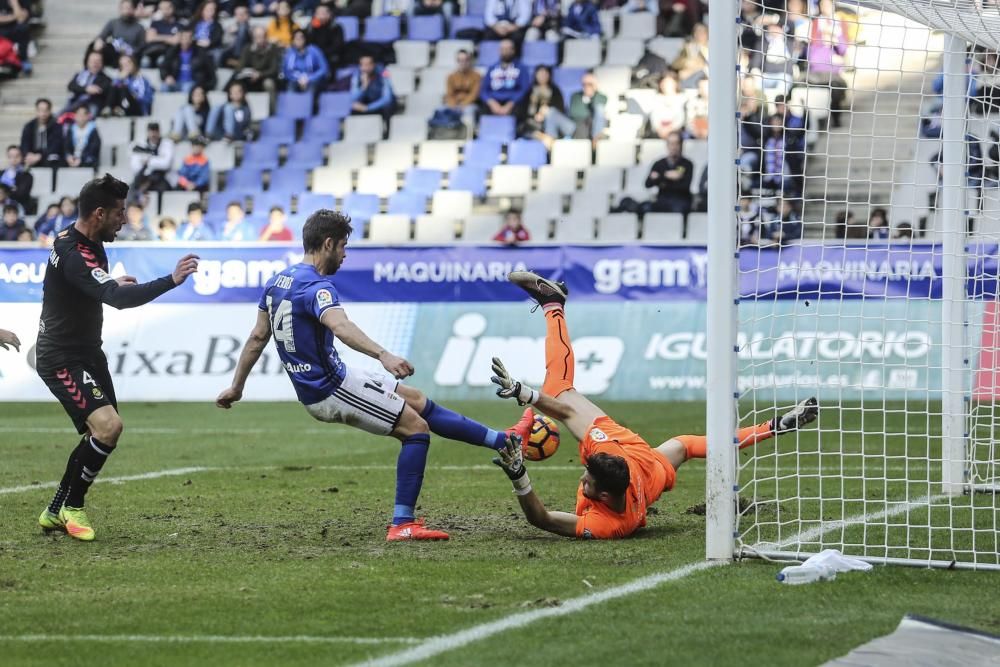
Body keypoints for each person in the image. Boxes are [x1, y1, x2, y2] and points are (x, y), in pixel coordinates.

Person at [216, 210, 522, 540]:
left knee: (415, 399)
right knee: (416, 430)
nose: (345, 255)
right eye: (344, 247)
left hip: (336, 377)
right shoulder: (318, 288)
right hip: (330, 389)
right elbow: (341, 326)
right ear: (328, 244)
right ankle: (402, 523)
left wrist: (236, 387)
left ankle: (503, 441)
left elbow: (258, 336)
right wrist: (383, 355)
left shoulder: (277, 282)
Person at [488, 271, 818, 539]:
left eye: (586, 476)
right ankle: (553, 304)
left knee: (686, 445)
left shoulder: (614, 514)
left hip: (647, 471)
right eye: (586, 474)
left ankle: (553, 304)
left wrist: (519, 473)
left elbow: (541, 518)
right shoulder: (612, 477)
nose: (581, 477)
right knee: (558, 391)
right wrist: (523, 393)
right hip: (638, 457)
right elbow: (564, 414)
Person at [34, 174, 199, 541]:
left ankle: (55, 508)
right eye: (119, 212)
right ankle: (73, 508)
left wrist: (110, 285)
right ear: (98, 213)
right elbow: (117, 300)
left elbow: (94, 290)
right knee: (109, 427)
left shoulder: (89, 242)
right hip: (60, 356)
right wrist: (169, 281)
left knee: (102, 431)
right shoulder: (73, 252)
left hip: (88, 351)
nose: (124, 219)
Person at [538, 70, 606, 145]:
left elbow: (598, 112)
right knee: (550, 111)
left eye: (590, 84)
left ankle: (596, 141)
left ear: (595, 84)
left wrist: (592, 95)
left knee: (600, 109)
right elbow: (574, 113)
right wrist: (587, 113)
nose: (586, 86)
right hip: (574, 128)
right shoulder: (575, 96)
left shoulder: (601, 97)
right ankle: (550, 145)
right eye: (584, 84)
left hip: (591, 128)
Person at [480, 39, 531, 118]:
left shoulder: (522, 68)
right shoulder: (492, 68)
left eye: (508, 49)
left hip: (514, 102)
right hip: (494, 101)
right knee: (483, 110)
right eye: (503, 49)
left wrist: (510, 104)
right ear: (499, 51)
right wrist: (492, 103)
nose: (505, 51)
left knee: (520, 108)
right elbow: (484, 90)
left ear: (513, 50)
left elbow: (524, 89)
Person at [645, 131, 693, 213]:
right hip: (662, 201)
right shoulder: (659, 164)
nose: (674, 147)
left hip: (680, 201)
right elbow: (648, 184)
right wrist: (666, 175)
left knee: (677, 209)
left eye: (676, 143)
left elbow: (684, 186)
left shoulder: (687, 164)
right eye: (671, 144)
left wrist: (660, 180)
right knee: (644, 207)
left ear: (681, 145)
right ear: (667, 145)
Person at [89, 0, 146, 66]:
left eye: (128, 8)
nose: (126, 11)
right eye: (123, 8)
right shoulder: (113, 23)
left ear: (133, 9)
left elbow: (141, 47)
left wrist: (128, 51)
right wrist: (99, 41)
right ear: (120, 9)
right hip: (114, 54)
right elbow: (102, 36)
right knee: (95, 46)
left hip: (131, 56)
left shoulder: (139, 27)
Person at [232, 26, 282, 96]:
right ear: (253, 37)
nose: (260, 39)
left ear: (266, 37)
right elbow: (239, 67)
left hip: (265, 77)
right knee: (236, 84)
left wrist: (259, 74)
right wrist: (248, 74)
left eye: (262, 36)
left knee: (269, 84)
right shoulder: (247, 48)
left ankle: (272, 106)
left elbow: (274, 69)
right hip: (250, 78)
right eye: (257, 36)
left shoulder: (272, 49)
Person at [129, 122, 175, 196]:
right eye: (151, 131)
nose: (153, 134)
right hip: (144, 177)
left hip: (162, 178)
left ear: (159, 132)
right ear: (147, 132)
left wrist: (148, 162)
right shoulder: (139, 145)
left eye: (155, 131)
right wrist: (158, 160)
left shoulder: (167, 143)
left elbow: (166, 164)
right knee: (133, 188)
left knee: (162, 189)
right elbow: (135, 167)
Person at [443, 49, 481, 132]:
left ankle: (468, 135)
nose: (462, 63)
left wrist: (463, 104)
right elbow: (449, 94)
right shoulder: (451, 77)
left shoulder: (476, 76)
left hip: (469, 104)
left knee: (469, 111)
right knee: (441, 110)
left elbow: (474, 94)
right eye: (459, 60)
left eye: (465, 60)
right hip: (454, 104)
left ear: (470, 61)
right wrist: (453, 105)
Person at [64, 51, 112, 116]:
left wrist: (83, 89)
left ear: (102, 63)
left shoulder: (106, 78)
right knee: (61, 114)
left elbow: (100, 90)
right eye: (92, 61)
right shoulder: (80, 75)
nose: (95, 63)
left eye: (98, 61)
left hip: (92, 103)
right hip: (76, 102)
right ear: (87, 62)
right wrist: (86, 89)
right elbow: (71, 86)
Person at [21, 98, 65, 169]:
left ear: (50, 111)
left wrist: (40, 156)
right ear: (36, 111)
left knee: (53, 160)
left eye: (45, 110)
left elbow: (56, 145)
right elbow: (24, 144)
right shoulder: (29, 126)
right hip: (32, 156)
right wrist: (28, 154)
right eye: (40, 110)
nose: (43, 114)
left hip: (48, 156)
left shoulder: (56, 126)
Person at [283, 28, 330, 93]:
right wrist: (298, 79)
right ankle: (292, 103)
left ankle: (310, 103)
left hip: (313, 80)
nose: (299, 40)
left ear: (305, 39)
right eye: (296, 38)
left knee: (312, 87)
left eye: (301, 38)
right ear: (293, 40)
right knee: (290, 87)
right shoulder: (289, 53)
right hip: (296, 80)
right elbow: (286, 71)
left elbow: (324, 69)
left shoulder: (314, 50)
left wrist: (309, 78)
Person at [142, 0, 182, 67]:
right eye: (162, 8)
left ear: (172, 8)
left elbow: (176, 41)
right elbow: (149, 38)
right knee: (144, 61)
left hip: (169, 54)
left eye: (167, 8)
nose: (165, 11)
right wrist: (168, 38)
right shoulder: (155, 23)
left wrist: (157, 37)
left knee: (161, 60)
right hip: (153, 52)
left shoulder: (178, 25)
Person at [306, 4, 344, 70]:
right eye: (318, 13)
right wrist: (314, 27)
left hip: (330, 56)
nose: (321, 16)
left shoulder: (336, 27)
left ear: (329, 14)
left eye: (323, 13)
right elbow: (309, 44)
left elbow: (338, 46)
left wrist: (321, 54)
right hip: (314, 56)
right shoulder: (311, 27)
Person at [649, 70, 685, 140]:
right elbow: (654, 116)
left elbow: (680, 117)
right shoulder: (655, 98)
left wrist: (671, 129)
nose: (666, 85)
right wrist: (659, 129)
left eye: (669, 83)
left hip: (676, 131)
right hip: (659, 131)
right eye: (664, 82)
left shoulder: (682, 98)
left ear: (675, 83)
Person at [63, 105, 102, 169]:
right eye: (79, 115)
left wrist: (81, 159)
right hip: (73, 158)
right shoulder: (71, 129)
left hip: (86, 157)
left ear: (88, 116)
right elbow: (66, 146)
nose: (81, 118)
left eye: (83, 115)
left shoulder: (93, 129)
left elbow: (94, 148)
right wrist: (68, 156)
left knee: (89, 162)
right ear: (75, 116)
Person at [0, 0, 30, 75]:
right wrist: (14, 17)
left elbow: (22, 19)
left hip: (15, 27)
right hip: (2, 29)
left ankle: (23, 60)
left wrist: (15, 3)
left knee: (23, 29)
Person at [1, 144, 33, 209]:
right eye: (11, 156)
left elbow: (21, 194)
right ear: (7, 157)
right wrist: (12, 188)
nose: (14, 159)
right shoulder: (1, 173)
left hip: (16, 207)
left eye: (17, 156)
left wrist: (4, 192)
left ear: (22, 157)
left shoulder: (26, 175)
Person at [221, 4, 252, 68]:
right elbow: (224, 42)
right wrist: (230, 34)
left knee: (243, 27)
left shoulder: (252, 28)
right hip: (231, 53)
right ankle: (239, 62)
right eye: (237, 14)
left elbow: (254, 43)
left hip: (246, 54)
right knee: (223, 55)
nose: (240, 16)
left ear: (247, 15)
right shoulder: (230, 27)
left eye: (242, 14)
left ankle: (237, 61)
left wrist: (243, 30)